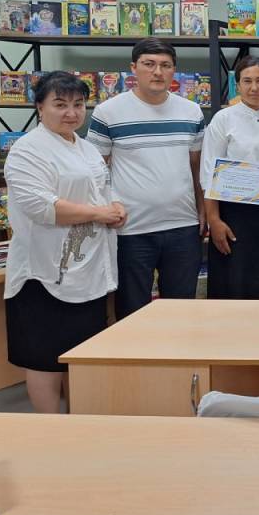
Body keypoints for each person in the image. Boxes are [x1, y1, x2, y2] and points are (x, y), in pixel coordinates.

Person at [4, 72, 124, 412]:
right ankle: (51, 426)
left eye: (78, 104)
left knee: (80, 353)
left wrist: (116, 206)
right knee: (46, 358)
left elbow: (103, 188)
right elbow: (43, 207)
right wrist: (100, 214)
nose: (71, 113)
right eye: (60, 104)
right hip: (44, 272)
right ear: (40, 107)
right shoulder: (27, 150)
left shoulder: (85, 147)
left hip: (88, 271)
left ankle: (79, 422)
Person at [87, 38, 206, 320]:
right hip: (130, 229)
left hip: (183, 226)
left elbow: (197, 166)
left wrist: (203, 210)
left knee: (181, 312)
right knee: (132, 313)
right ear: (133, 68)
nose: (157, 72)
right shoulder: (108, 112)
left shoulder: (191, 112)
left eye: (166, 65)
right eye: (149, 64)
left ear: (174, 70)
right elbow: (94, 171)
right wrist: (106, 210)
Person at [200, 56, 259, 299]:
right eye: (247, 81)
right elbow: (209, 173)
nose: (254, 87)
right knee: (234, 279)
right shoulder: (223, 119)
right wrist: (214, 221)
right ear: (237, 85)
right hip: (234, 213)